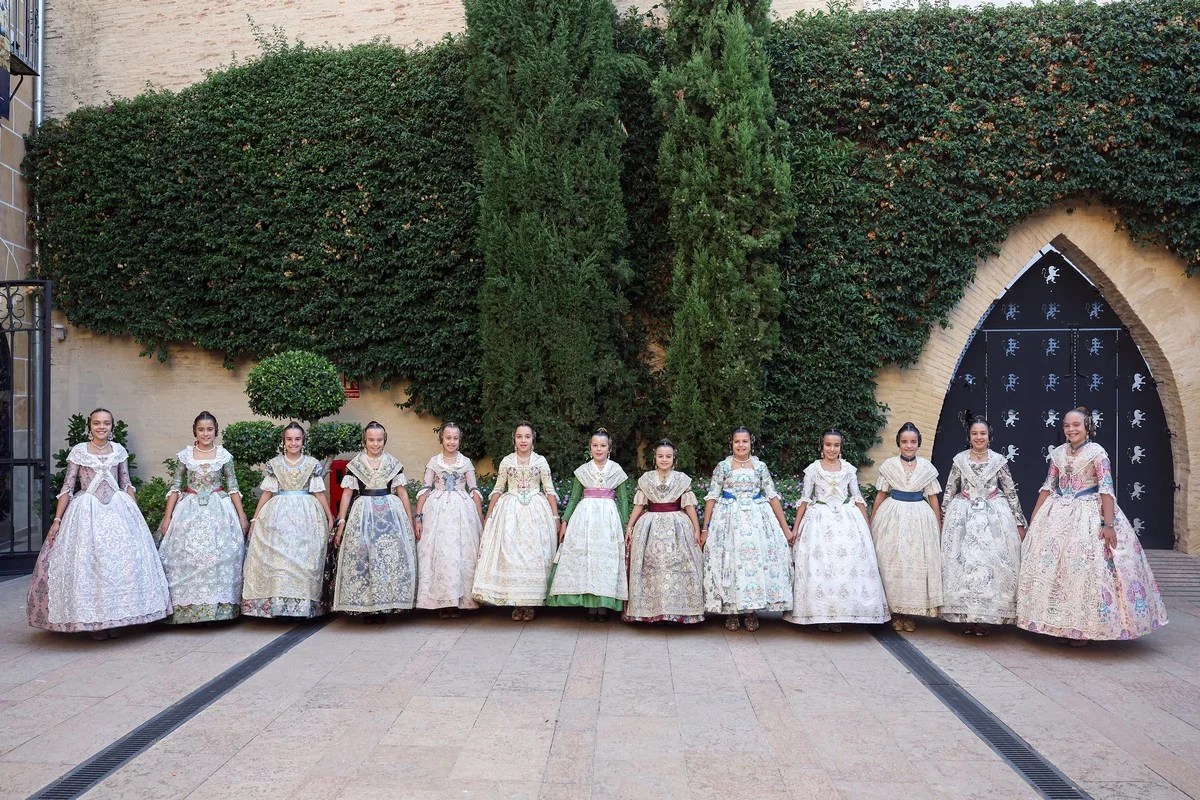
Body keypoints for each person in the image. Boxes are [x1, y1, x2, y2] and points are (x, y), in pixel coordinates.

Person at [1017, 407, 1167, 643]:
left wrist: (1108, 524)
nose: (1071, 429)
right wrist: (1035, 519)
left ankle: (1084, 630)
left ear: (1087, 426)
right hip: (1058, 513)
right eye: (1067, 425)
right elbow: (1048, 486)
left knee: (1083, 569)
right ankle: (1059, 626)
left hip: (1088, 514)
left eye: (1076, 425)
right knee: (1057, 570)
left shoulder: (1097, 453)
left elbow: (1106, 488)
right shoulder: (1058, 453)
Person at [27, 408, 172, 638]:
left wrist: (135, 513)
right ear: (90, 425)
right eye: (97, 423)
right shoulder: (79, 451)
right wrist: (57, 520)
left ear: (112, 426)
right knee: (90, 567)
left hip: (118, 510)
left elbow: (126, 483)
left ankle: (115, 621)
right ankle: (94, 624)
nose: (101, 427)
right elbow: (68, 487)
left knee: (119, 567)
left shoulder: (119, 450)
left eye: (106, 423)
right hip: (87, 512)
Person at [784, 430, 889, 631]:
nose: (832, 449)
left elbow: (857, 497)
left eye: (836, 445)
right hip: (819, 521)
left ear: (841, 447)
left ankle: (841, 614)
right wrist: (795, 528)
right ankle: (822, 615)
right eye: (828, 445)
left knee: (845, 566)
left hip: (846, 520)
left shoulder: (848, 469)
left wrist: (867, 526)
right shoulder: (813, 469)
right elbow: (805, 499)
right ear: (822, 446)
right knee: (822, 567)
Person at [158, 412, 249, 624]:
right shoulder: (185, 456)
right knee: (187, 556)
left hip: (219, 509)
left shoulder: (224, 456)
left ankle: (218, 609)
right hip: (189, 508)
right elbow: (175, 486)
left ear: (216, 431)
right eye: (201, 429)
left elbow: (233, 487)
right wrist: (167, 516)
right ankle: (187, 610)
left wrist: (242, 515)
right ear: (195, 431)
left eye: (209, 429)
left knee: (219, 556)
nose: (205, 433)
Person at [940, 415, 1025, 635]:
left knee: (991, 564)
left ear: (989, 436)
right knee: (964, 564)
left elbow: (1010, 491)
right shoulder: (960, 460)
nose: (979, 437)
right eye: (974, 433)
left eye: (983, 433)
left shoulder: (999, 460)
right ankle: (966, 616)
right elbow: (950, 489)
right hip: (964, 517)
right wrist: (943, 516)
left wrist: (1018, 520)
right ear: (969, 437)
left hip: (993, 517)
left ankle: (986, 618)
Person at [702, 427, 793, 631]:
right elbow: (712, 497)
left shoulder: (760, 467)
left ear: (751, 443)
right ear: (731, 443)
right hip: (728, 520)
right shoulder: (723, 467)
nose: (741, 445)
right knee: (730, 562)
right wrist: (705, 529)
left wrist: (785, 528)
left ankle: (752, 610)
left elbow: (772, 496)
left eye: (745, 441)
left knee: (755, 562)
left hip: (756, 520)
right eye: (737, 441)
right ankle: (732, 611)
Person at [241, 422, 334, 618]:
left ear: (303, 441)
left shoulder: (312, 464)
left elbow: (318, 492)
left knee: (304, 558)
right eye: (289, 439)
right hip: (278, 513)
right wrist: (255, 518)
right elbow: (267, 493)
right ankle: (278, 605)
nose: (293, 443)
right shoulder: (274, 464)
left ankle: (303, 607)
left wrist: (329, 516)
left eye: (297, 439)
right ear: (283, 442)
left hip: (307, 514)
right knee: (279, 558)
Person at [472, 421, 560, 621]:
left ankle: (530, 604)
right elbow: (498, 488)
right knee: (512, 554)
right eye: (519, 436)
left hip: (536, 512)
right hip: (510, 512)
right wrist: (489, 515)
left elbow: (549, 490)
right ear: (514, 439)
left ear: (533, 439)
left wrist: (555, 517)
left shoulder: (540, 461)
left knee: (533, 556)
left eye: (527, 436)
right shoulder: (507, 461)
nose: (523, 440)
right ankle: (516, 602)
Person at [331, 421, 418, 620]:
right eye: (371, 440)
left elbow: (402, 493)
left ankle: (387, 604)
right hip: (363, 513)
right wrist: (341, 522)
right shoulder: (355, 465)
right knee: (365, 557)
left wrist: (408, 519)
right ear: (365, 441)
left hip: (390, 514)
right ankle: (368, 607)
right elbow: (347, 494)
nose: (375, 444)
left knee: (387, 558)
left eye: (379, 440)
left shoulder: (393, 463)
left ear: (384, 441)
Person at [546, 429, 631, 621]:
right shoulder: (583, 470)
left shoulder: (616, 470)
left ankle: (603, 606)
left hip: (608, 519)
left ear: (609, 448)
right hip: (584, 519)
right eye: (595, 445)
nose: (599, 449)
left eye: (603, 445)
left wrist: (626, 525)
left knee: (605, 561)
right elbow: (574, 497)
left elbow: (624, 499)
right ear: (590, 447)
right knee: (587, 559)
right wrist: (565, 521)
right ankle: (590, 606)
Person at [623, 440, 705, 624]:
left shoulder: (682, 479)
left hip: (677, 525)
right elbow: (639, 505)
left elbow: (689, 506)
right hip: (650, 525)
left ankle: (679, 610)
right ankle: (651, 611)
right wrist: (630, 526)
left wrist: (696, 529)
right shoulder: (646, 479)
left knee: (680, 563)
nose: (664, 459)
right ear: (655, 458)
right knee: (652, 566)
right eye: (660, 456)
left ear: (674, 458)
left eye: (668, 456)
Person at [871, 421, 942, 632]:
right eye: (904, 442)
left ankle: (909, 613)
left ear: (919, 443)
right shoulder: (889, 465)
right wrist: (872, 521)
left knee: (914, 563)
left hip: (920, 517)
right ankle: (894, 611)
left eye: (913, 442)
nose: (909, 446)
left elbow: (933, 499)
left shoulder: (927, 468)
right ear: (899, 443)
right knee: (893, 561)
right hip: (892, 516)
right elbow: (881, 494)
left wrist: (938, 524)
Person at [414, 422, 483, 618]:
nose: (451, 441)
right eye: (448, 438)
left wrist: (481, 520)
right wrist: (418, 517)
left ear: (460, 440)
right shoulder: (434, 462)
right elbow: (425, 488)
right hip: (437, 511)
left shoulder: (466, 462)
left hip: (462, 511)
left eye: (455, 438)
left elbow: (474, 490)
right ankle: (442, 603)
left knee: (461, 554)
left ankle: (460, 601)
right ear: (441, 439)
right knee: (440, 554)